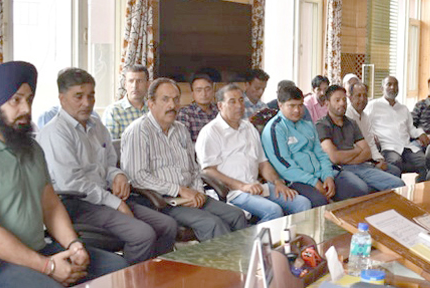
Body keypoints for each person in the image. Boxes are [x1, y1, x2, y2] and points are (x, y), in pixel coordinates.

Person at [0, 61, 127, 288]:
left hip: (37, 248)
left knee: (120, 270)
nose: (26, 109)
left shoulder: (31, 148)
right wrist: (48, 267)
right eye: (16, 100)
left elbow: (50, 205)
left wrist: (73, 245)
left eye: (28, 99)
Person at [37, 68, 177, 264]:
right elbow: (73, 184)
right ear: (62, 98)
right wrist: (116, 203)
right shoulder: (55, 133)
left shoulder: (95, 124)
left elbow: (109, 163)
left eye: (91, 96)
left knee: (168, 225)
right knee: (142, 235)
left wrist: (118, 175)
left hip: (105, 197)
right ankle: (129, 280)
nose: (87, 103)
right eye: (78, 96)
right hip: (76, 203)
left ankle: (157, 277)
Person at [121, 78, 247, 241]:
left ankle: (243, 262)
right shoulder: (138, 131)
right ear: (151, 103)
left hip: (191, 194)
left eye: (175, 100)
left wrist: (197, 193)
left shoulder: (180, 129)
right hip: (161, 201)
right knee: (213, 223)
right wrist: (179, 191)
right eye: (165, 99)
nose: (172, 106)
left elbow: (194, 169)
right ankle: (223, 266)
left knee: (236, 214)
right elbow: (137, 177)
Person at [196, 84, 311, 222]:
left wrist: (277, 182)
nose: (239, 105)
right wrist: (242, 186)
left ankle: (296, 241)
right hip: (233, 192)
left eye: (241, 100)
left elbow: (263, 163)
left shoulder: (248, 127)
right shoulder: (211, 132)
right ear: (220, 106)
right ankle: (253, 243)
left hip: (257, 186)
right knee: (273, 211)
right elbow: (208, 171)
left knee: (303, 203)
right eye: (232, 101)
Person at [262, 86, 369, 207]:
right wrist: (314, 182)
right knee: (319, 201)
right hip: (296, 179)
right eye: (291, 106)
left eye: (300, 105)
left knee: (360, 190)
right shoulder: (275, 128)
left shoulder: (307, 125)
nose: (297, 110)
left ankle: (350, 225)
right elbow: (285, 166)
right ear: (280, 105)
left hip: (322, 174)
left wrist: (328, 176)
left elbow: (321, 154)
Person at [316, 85, 406, 194]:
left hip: (361, 166)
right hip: (340, 169)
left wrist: (348, 157)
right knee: (362, 189)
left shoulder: (351, 123)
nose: (342, 103)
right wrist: (357, 151)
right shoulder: (322, 125)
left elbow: (367, 152)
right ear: (327, 103)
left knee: (399, 184)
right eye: (337, 100)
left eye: (344, 100)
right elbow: (334, 157)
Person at [364, 76, 430, 182]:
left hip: (406, 146)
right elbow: (364, 125)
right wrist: (371, 136)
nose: (392, 87)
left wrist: (420, 133)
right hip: (388, 147)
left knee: (424, 162)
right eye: (389, 84)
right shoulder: (373, 106)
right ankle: (395, 194)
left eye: (395, 85)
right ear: (382, 88)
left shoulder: (403, 108)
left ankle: (420, 190)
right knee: (395, 162)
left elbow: (411, 129)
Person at [345, 81, 401, 177]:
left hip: (370, 159)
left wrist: (379, 159)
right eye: (358, 95)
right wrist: (374, 164)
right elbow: (353, 147)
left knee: (395, 171)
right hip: (357, 162)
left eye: (365, 95)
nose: (362, 99)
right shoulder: (347, 116)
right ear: (350, 98)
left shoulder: (365, 116)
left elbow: (370, 142)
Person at [103, 64, 150, 139]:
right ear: (125, 84)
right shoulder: (113, 111)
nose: (134, 86)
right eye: (131, 81)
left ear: (148, 84)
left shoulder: (154, 110)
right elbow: (110, 147)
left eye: (139, 81)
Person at [177, 73, 219, 142]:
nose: (204, 94)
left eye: (207, 89)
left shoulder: (220, 111)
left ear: (212, 91)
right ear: (193, 94)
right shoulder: (185, 113)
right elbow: (184, 142)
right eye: (199, 90)